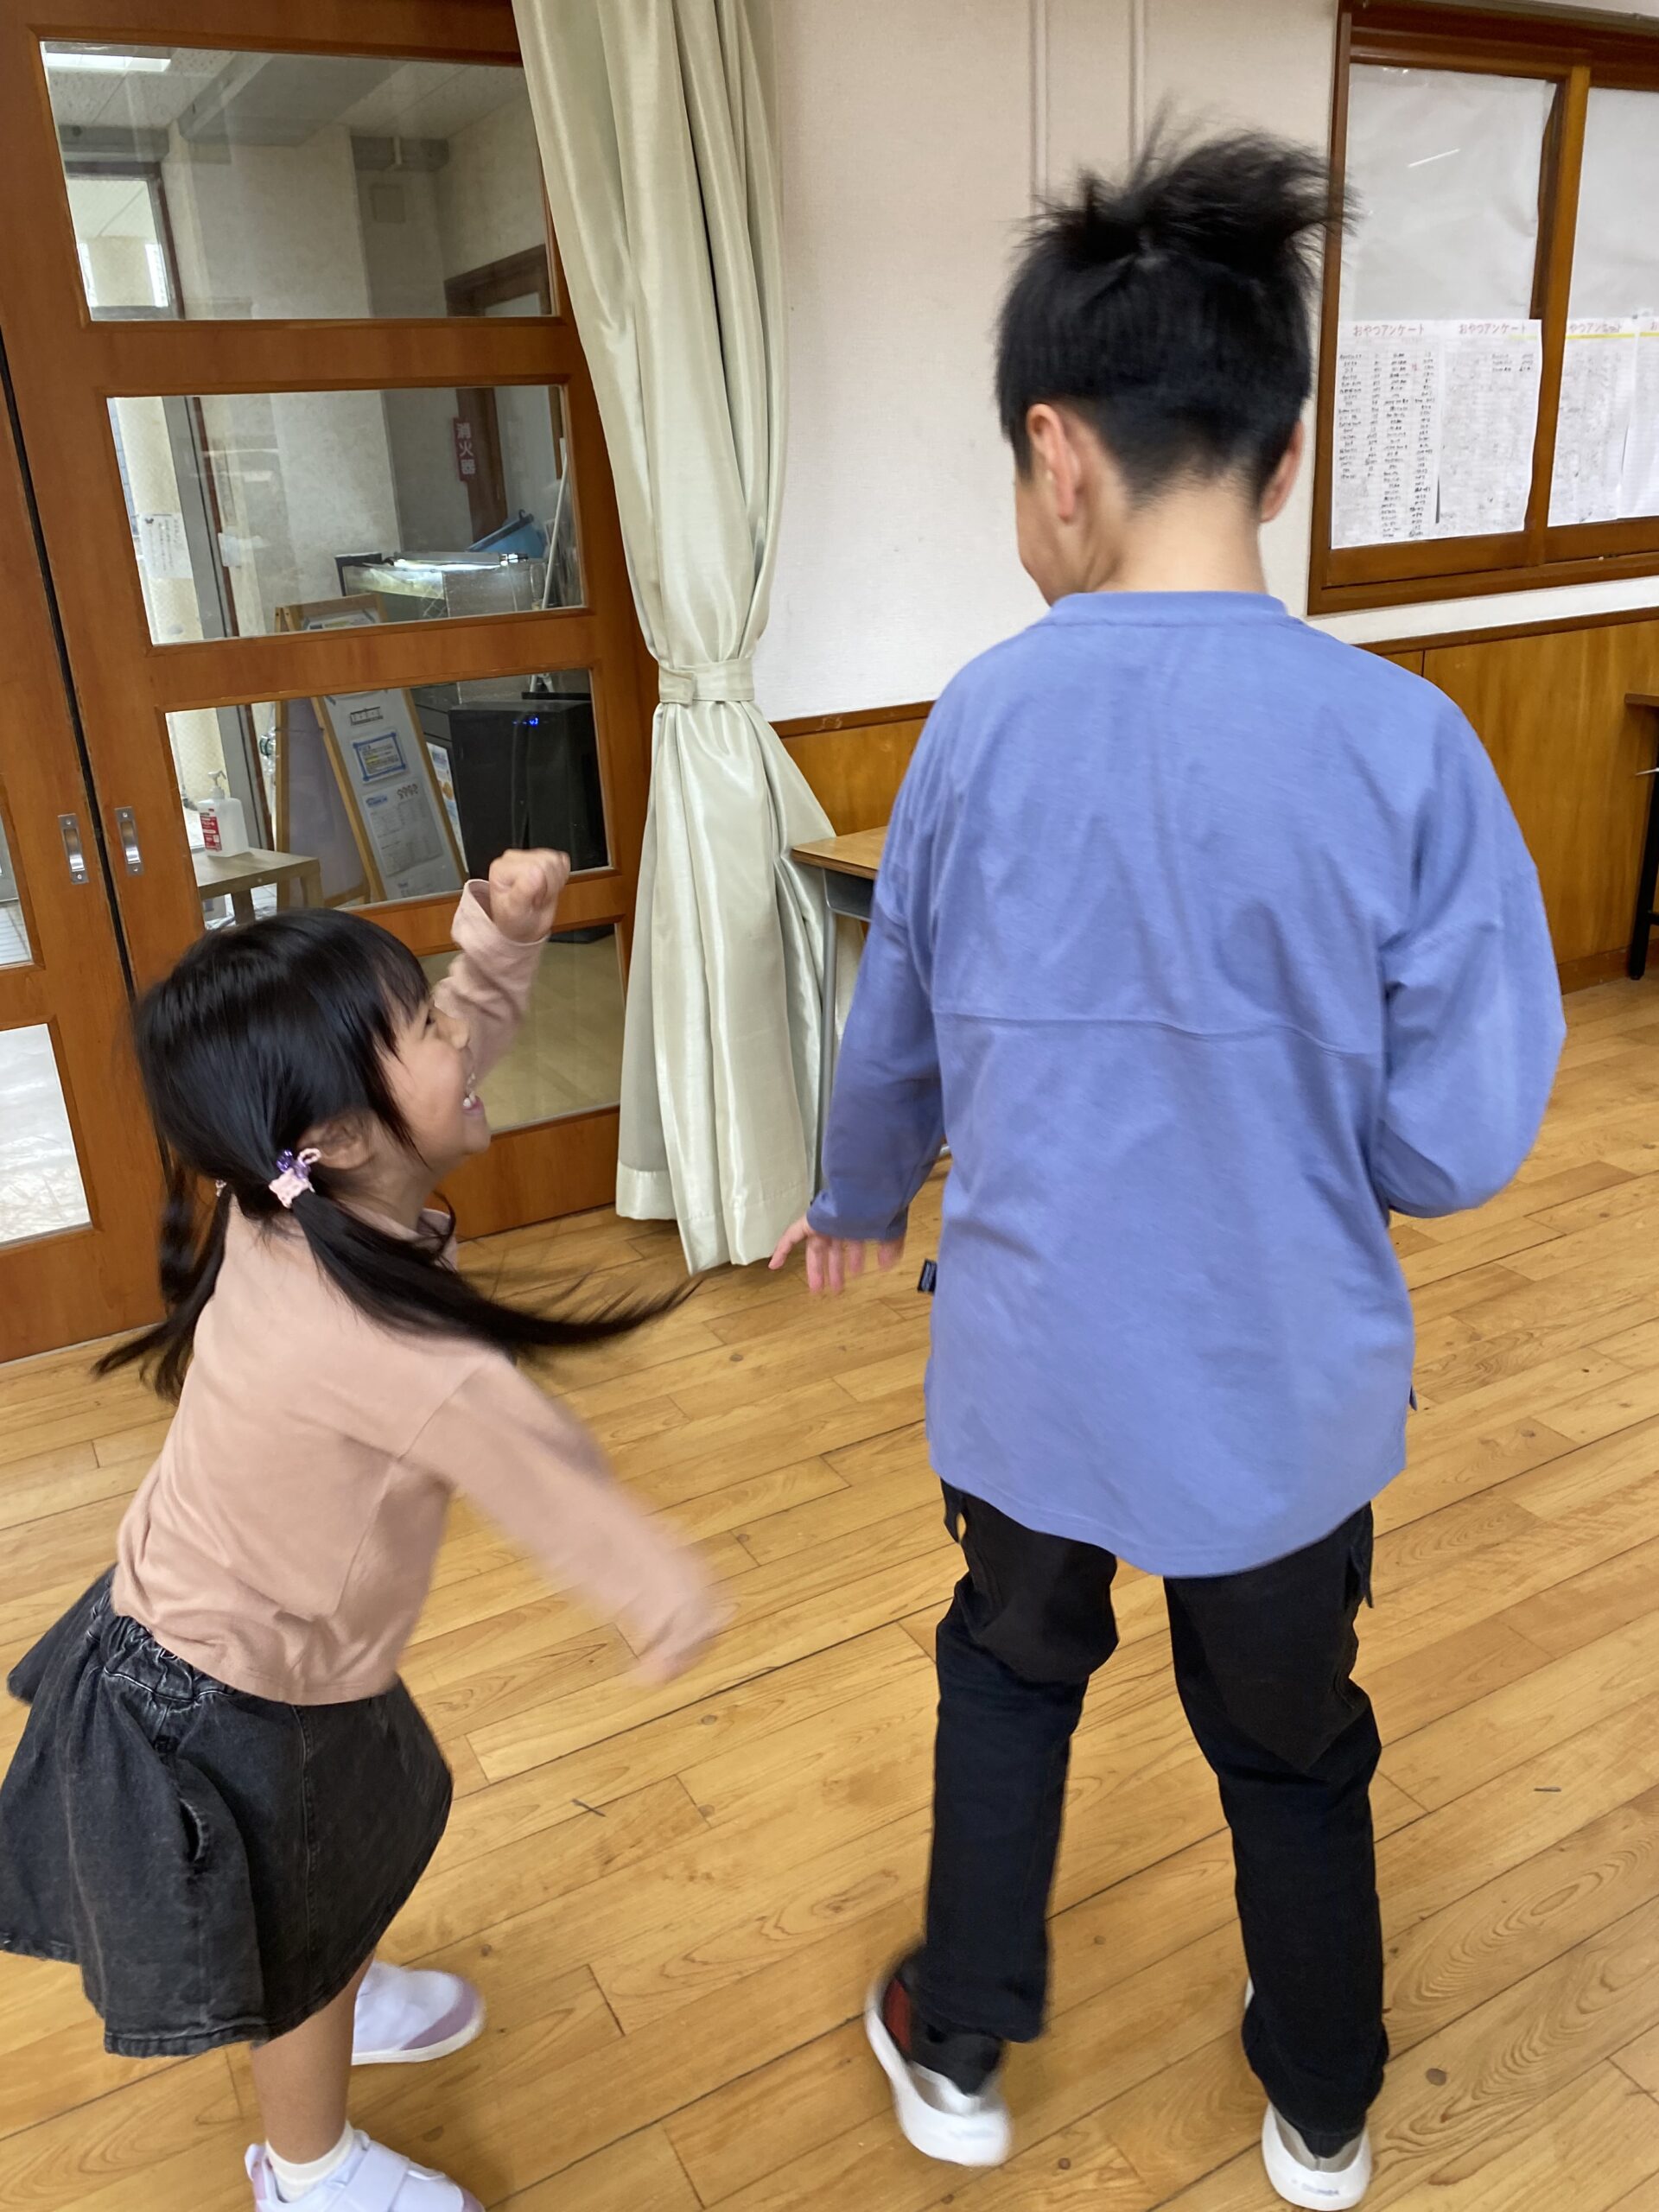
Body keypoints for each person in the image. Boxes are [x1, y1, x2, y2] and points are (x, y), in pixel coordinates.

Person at [771, 132, 1564, 2209]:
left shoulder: (976, 724)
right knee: (1296, 1739)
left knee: (1007, 1673)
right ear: (1283, 461)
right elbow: (1461, 1126)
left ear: (1057, 456)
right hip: (1284, 1397)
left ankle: (961, 2039)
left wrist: (856, 1203)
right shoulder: (1406, 741)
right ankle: (1326, 2099)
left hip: (1033, 1378)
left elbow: (895, 1030)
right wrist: (1327, 1150)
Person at [0, 852, 721, 2212]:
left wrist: (499, 949)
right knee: (301, 1940)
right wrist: (656, 1588)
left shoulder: (286, 1194)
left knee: (358, 1839)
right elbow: (541, 1469)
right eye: (428, 1022)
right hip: (228, 1692)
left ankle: (346, 1985)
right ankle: (308, 2170)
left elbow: (439, 1089)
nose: (463, 1037)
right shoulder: (391, 1343)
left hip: (260, 1639)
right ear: (332, 1133)